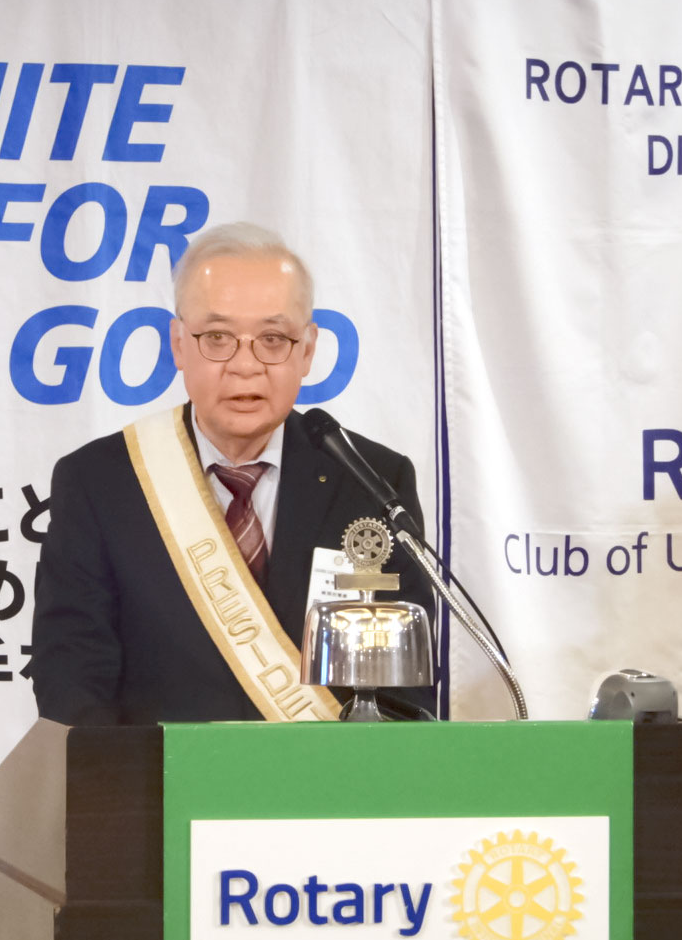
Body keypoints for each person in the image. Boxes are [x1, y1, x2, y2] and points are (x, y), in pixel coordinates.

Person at [30, 222, 432, 725]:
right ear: (179, 344)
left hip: (331, 774)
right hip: (163, 772)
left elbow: (403, 687)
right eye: (217, 338)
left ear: (307, 350)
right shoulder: (100, 482)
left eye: (273, 339)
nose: (245, 365)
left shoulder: (373, 480)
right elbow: (71, 677)